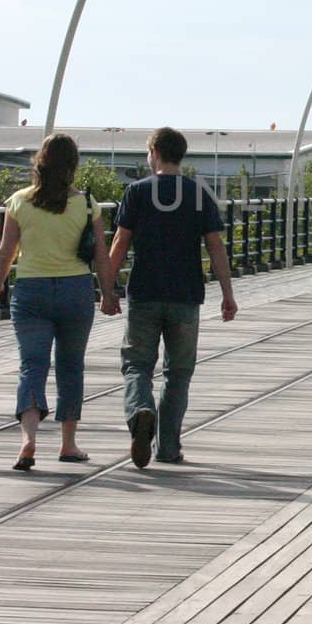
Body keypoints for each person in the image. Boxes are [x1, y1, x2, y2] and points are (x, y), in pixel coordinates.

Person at [105, 127, 238, 468]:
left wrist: (107, 287)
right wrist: (227, 293)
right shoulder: (197, 193)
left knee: (136, 365)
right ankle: (168, 447)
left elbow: (120, 243)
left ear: (155, 152)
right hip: (185, 295)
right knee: (178, 373)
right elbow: (215, 245)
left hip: (145, 293)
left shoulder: (136, 192)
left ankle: (140, 410)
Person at [0, 133, 116, 471]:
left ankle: (28, 439)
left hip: (31, 290)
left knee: (32, 365)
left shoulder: (18, 201)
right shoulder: (88, 204)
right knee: (71, 366)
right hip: (75, 291)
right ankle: (68, 443)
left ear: (39, 163)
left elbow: (7, 250)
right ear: (73, 166)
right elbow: (101, 255)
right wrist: (107, 292)